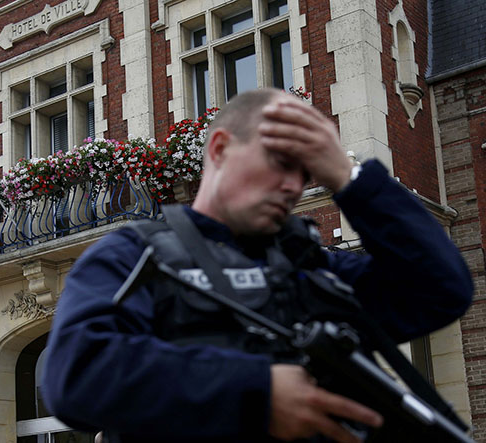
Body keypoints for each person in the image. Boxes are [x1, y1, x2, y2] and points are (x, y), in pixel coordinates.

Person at [41, 88, 473, 442]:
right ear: (221, 147)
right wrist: (257, 389)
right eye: (281, 163)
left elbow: (440, 290)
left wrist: (348, 177)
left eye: (307, 175)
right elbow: (78, 375)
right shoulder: (133, 254)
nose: (292, 186)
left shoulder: (308, 271)